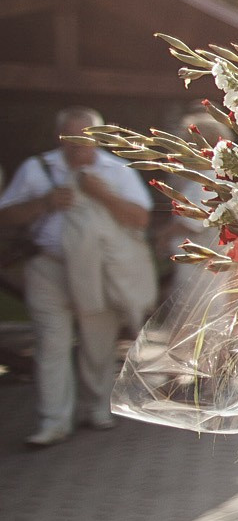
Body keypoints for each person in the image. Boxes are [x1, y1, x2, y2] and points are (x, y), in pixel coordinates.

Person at [0, 107, 157, 448]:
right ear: (59, 138)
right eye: (70, 140)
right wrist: (44, 203)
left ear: (98, 138)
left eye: (85, 140)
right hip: (48, 266)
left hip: (98, 269)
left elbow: (141, 218)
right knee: (51, 344)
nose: (78, 148)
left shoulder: (116, 170)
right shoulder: (37, 168)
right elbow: (6, 216)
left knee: (97, 343)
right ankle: (53, 421)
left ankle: (96, 408)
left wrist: (103, 195)